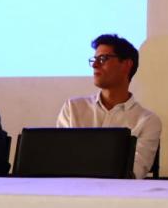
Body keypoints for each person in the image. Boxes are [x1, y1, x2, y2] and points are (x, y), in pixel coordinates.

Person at [57, 34, 161, 179]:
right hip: (72, 190)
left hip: (120, 192)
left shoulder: (148, 121)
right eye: (94, 60)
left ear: (126, 65)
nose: (95, 65)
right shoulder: (73, 108)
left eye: (103, 59)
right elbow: (61, 161)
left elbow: (133, 172)